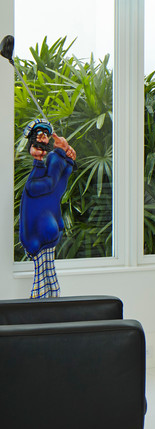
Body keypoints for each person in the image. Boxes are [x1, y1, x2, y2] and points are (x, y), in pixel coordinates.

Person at [19, 119, 76, 299]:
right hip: (40, 235)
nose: (43, 138)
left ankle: (48, 314)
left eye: (45, 134)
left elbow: (59, 182)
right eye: (39, 135)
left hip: (48, 230)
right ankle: (44, 315)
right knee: (44, 278)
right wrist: (61, 153)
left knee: (47, 278)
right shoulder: (37, 179)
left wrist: (66, 156)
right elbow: (51, 183)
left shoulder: (51, 163)